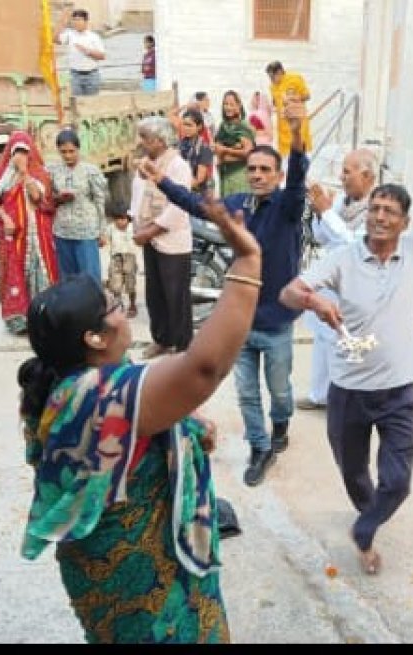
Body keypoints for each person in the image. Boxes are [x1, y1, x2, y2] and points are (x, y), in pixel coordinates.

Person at [17, 191, 263, 643]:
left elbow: (138, 428)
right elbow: (202, 368)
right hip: (137, 580)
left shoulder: (70, 381)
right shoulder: (94, 396)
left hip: (139, 567)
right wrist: (247, 261)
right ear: (94, 337)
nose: (122, 309)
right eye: (112, 306)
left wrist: (185, 426)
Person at [279, 106, 413, 575]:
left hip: (397, 393)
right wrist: (314, 302)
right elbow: (289, 291)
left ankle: (365, 530)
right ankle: (366, 514)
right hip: (348, 392)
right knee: (354, 476)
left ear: (405, 221)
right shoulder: (345, 257)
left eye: (390, 211)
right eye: (374, 209)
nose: (379, 216)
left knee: (398, 483)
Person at [140, 97, 309, 488]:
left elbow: (300, 175)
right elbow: (197, 205)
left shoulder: (287, 206)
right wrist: (160, 180)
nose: (258, 175)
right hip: (242, 323)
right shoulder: (238, 205)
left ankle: (280, 422)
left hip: (279, 321)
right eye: (253, 169)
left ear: (278, 175)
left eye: (266, 169)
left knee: (279, 391)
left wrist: (297, 134)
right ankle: (259, 447)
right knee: (247, 393)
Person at [296, 149, 378, 411]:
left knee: (346, 343)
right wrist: (322, 213)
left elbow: (356, 244)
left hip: (356, 285)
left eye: (346, 171)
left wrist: (327, 213)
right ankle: (320, 396)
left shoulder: (378, 207)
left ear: (366, 176)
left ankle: (343, 400)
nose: (341, 177)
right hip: (332, 281)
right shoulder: (343, 200)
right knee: (323, 339)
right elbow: (323, 238)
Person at [132, 116, 194, 359]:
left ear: (159, 141)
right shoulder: (147, 163)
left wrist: (150, 230)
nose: (142, 143)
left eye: (146, 138)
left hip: (171, 239)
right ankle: (161, 339)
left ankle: (182, 345)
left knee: (175, 295)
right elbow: (138, 196)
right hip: (150, 237)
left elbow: (179, 206)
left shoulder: (178, 165)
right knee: (155, 293)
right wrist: (135, 223)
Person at [0, 131, 59, 335]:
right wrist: (5, 217)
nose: (19, 156)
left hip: (37, 235)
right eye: (16, 152)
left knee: (40, 271)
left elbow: (39, 198)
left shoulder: (39, 173)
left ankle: (43, 318)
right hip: (13, 236)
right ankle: (19, 320)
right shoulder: (2, 176)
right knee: (15, 273)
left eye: (23, 152)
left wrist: (24, 173)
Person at [47, 129, 108, 285]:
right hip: (62, 232)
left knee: (89, 278)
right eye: (63, 152)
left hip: (86, 232)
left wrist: (102, 231)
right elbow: (47, 199)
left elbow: (99, 201)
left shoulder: (91, 171)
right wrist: (59, 198)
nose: (68, 156)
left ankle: (93, 309)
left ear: (78, 149)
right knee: (68, 279)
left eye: (71, 151)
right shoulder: (53, 171)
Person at [53, 7, 106, 97]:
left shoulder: (93, 37)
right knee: (76, 101)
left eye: (79, 20)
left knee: (91, 102)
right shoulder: (69, 34)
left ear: (86, 21)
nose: (76, 22)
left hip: (92, 75)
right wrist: (62, 22)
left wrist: (87, 51)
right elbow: (54, 39)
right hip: (75, 75)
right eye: (74, 20)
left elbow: (102, 56)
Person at [266, 61, 313, 158]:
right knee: (285, 159)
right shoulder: (272, 86)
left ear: (279, 72)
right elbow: (275, 103)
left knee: (300, 155)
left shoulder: (295, 79)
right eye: (269, 77)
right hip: (282, 128)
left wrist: (295, 98)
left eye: (272, 77)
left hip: (298, 125)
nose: (271, 80)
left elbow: (307, 96)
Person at [213, 90, 255, 198]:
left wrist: (226, 150)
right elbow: (217, 149)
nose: (228, 107)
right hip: (225, 174)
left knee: (238, 208)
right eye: (225, 104)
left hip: (239, 174)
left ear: (239, 105)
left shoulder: (242, 126)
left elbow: (248, 152)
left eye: (231, 104)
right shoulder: (223, 126)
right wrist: (225, 152)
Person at [102, 200, 138, 318]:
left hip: (130, 257)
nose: (121, 222)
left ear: (128, 219)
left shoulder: (133, 227)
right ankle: (118, 305)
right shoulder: (111, 228)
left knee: (130, 283)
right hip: (115, 258)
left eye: (123, 219)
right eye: (118, 219)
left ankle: (132, 304)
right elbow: (104, 240)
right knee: (115, 284)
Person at [179, 108, 215, 197]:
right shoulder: (179, 145)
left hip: (197, 195)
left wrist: (177, 186)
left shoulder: (204, 148)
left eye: (189, 125)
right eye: (184, 125)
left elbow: (199, 179)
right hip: (182, 191)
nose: (185, 128)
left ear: (199, 127)